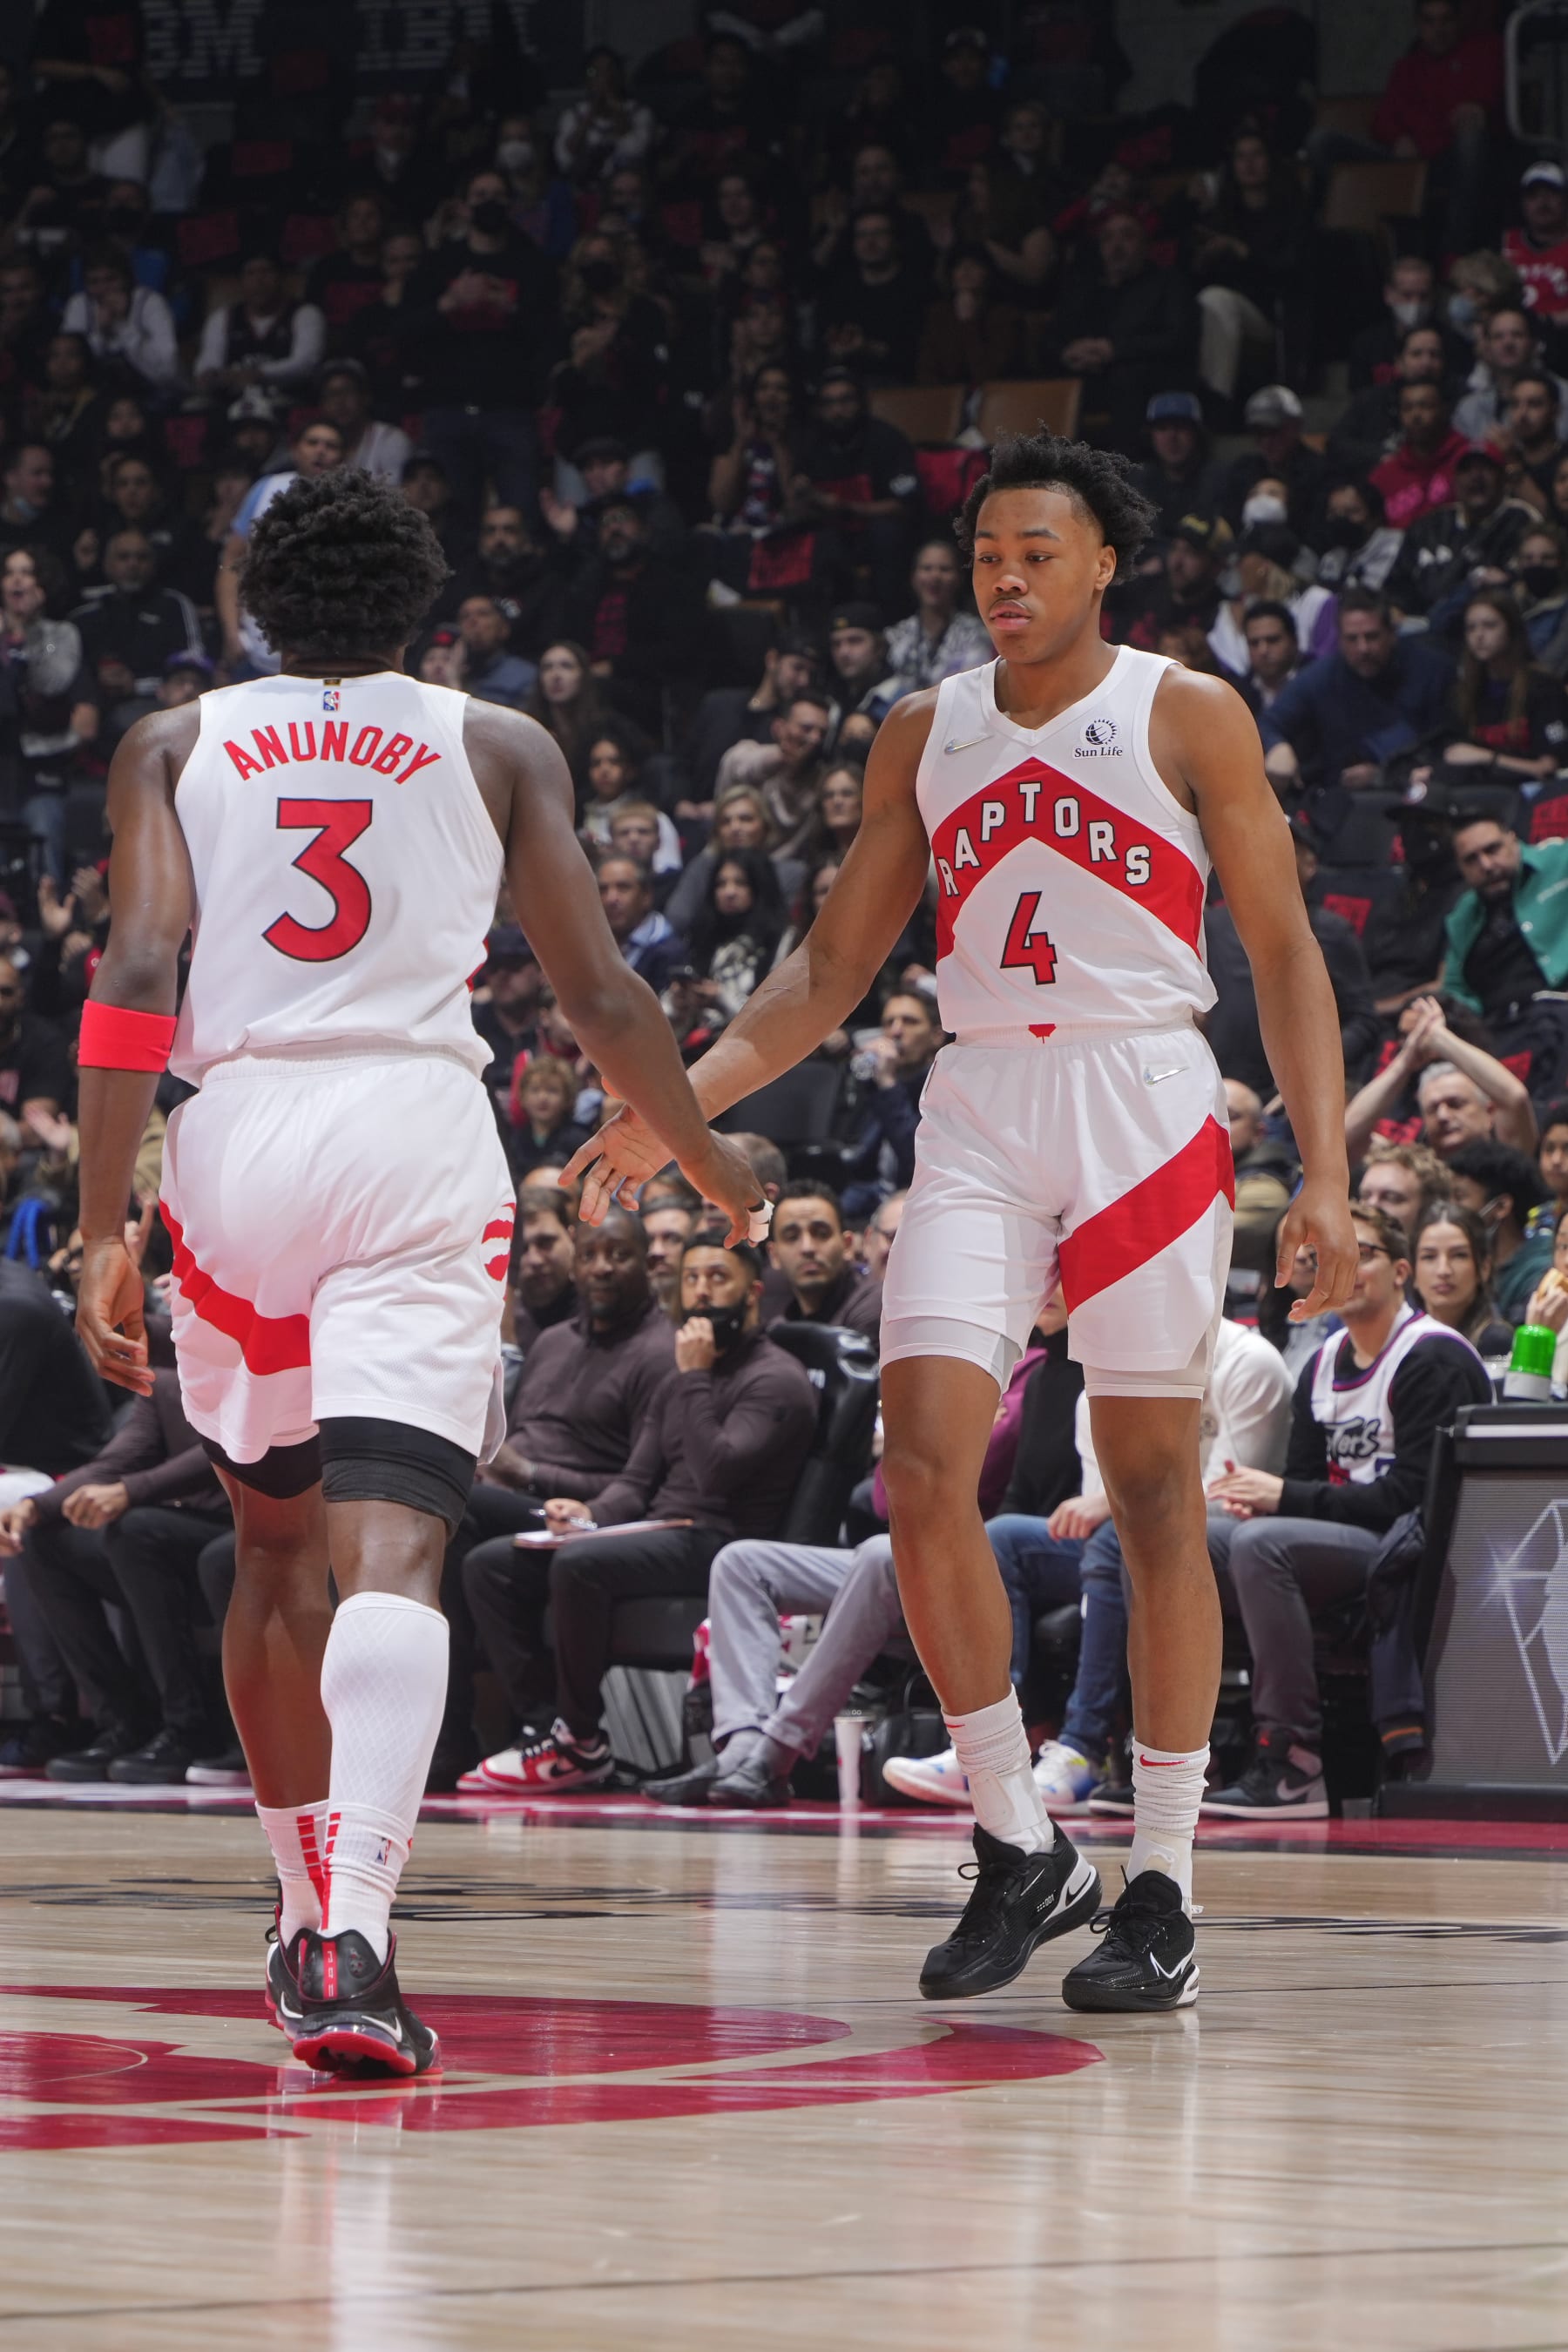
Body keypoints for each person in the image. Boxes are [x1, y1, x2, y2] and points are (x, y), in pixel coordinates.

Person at [568, 429, 1357, 2012]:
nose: (1008, 577)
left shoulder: (1186, 710)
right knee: (916, 1465)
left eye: (1039, 552)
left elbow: (1281, 952)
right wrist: (675, 1106)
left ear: (1106, 563)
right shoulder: (923, 732)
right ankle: (1018, 1839)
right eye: (989, 553)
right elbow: (825, 975)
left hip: (1143, 1094)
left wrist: (1325, 1173)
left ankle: (1167, 1886)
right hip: (984, 1101)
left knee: (1148, 1491)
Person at [71, 469, 766, 2079]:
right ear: (422, 615)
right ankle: (360, 1936)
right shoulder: (497, 742)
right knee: (396, 1550)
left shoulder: (176, 743)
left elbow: (139, 970)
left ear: (255, 605)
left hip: (234, 1136)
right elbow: (595, 991)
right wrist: (710, 1157)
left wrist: (108, 1217)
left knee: (267, 1551)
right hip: (410, 1125)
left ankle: (298, 1889)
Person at [463, 1233, 816, 1791]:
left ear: (752, 1294)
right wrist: (585, 1517)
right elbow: (636, 1480)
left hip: (723, 1544)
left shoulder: (777, 1379)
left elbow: (714, 1472)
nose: (701, 1293)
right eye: (693, 1278)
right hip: (659, 1529)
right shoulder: (683, 1370)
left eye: (717, 1279)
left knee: (581, 1566)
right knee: (491, 1565)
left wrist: (696, 1376)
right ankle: (547, 1725)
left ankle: (579, 1739)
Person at [1204, 1203, 1492, 1815]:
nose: (1346, 1266)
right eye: (1330, 1255)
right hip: (1339, 1543)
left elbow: (1415, 1501)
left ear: (1401, 1272)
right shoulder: (1321, 1363)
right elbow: (1307, 1483)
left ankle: (1294, 1759)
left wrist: (1281, 1500)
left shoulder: (1432, 1357)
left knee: (1262, 1544)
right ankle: (1175, 1750)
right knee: (1188, 1539)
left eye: (1363, 1252)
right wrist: (1271, 1504)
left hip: (1413, 1553)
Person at [0, 1366, 233, 1784]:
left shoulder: (255, 1360)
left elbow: (225, 1448)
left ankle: (190, 1727)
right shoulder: (165, 1380)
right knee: (44, 1540)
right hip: (184, 1527)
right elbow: (117, 1460)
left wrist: (131, 1491)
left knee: (137, 1530)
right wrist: (38, 1506)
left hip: (247, 1524)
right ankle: (124, 1722)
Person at [1439, 812, 1568, 1099]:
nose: (1486, 865)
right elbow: (1456, 989)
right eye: (1471, 859)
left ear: (1513, 840)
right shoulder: (1462, 917)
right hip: (1499, 1032)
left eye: (1492, 850)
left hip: (1560, 1010)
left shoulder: (1560, 862)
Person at [1345, 994, 1538, 1163]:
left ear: (1489, 1113)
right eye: (1432, 1109)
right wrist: (1406, 1059)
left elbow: (1515, 1097)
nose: (1443, 1116)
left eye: (1456, 1104)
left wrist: (1437, 1036)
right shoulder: (1419, 1168)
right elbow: (1347, 1133)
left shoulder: (1508, 1158)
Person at [1443, 1138, 1555, 1320]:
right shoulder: (1460, 1259)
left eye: (1459, 1197)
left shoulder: (1539, 1271)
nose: (1448, 1207)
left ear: (1501, 1207)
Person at [767, 1182, 882, 1342]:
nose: (807, 1248)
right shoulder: (774, 1312)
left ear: (847, 1245)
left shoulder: (874, 1306)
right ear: (774, 1255)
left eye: (821, 1234)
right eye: (792, 1237)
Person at [885, 540, 993, 694]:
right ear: (914, 577)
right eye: (927, 568)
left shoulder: (976, 634)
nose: (935, 577)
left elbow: (971, 686)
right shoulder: (896, 634)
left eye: (945, 569)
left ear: (959, 578)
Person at [1410, 1202, 1514, 1353]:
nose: (1443, 1270)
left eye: (1459, 1255)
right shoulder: (1398, 1339)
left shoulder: (1496, 1341)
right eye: (1429, 1257)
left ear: (1484, 1268)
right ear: (1412, 1270)